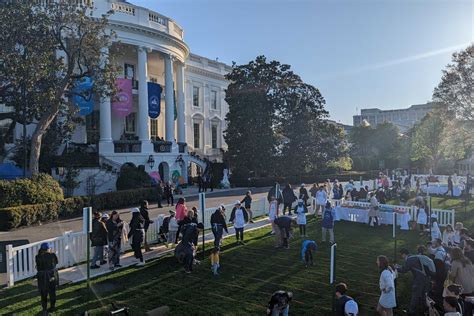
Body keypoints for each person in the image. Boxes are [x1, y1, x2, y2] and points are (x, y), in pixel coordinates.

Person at [396, 248, 431, 315]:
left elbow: (404, 270)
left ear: (404, 254)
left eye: (401, 255)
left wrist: (396, 268)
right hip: (426, 277)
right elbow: (407, 267)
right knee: (424, 294)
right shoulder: (413, 257)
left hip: (419, 280)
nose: (401, 257)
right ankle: (425, 309)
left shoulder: (409, 259)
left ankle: (412, 311)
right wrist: (399, 266)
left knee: (415, 295)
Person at [36, 242, 59, 315]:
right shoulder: (52, 255)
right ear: (48, 249)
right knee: (52, 292)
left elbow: (38, 267)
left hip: (42, 277)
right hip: (51, 276)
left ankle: (44, 310)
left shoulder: (37, 256)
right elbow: (56, 263)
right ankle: (52, 307)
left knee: (43, 294)